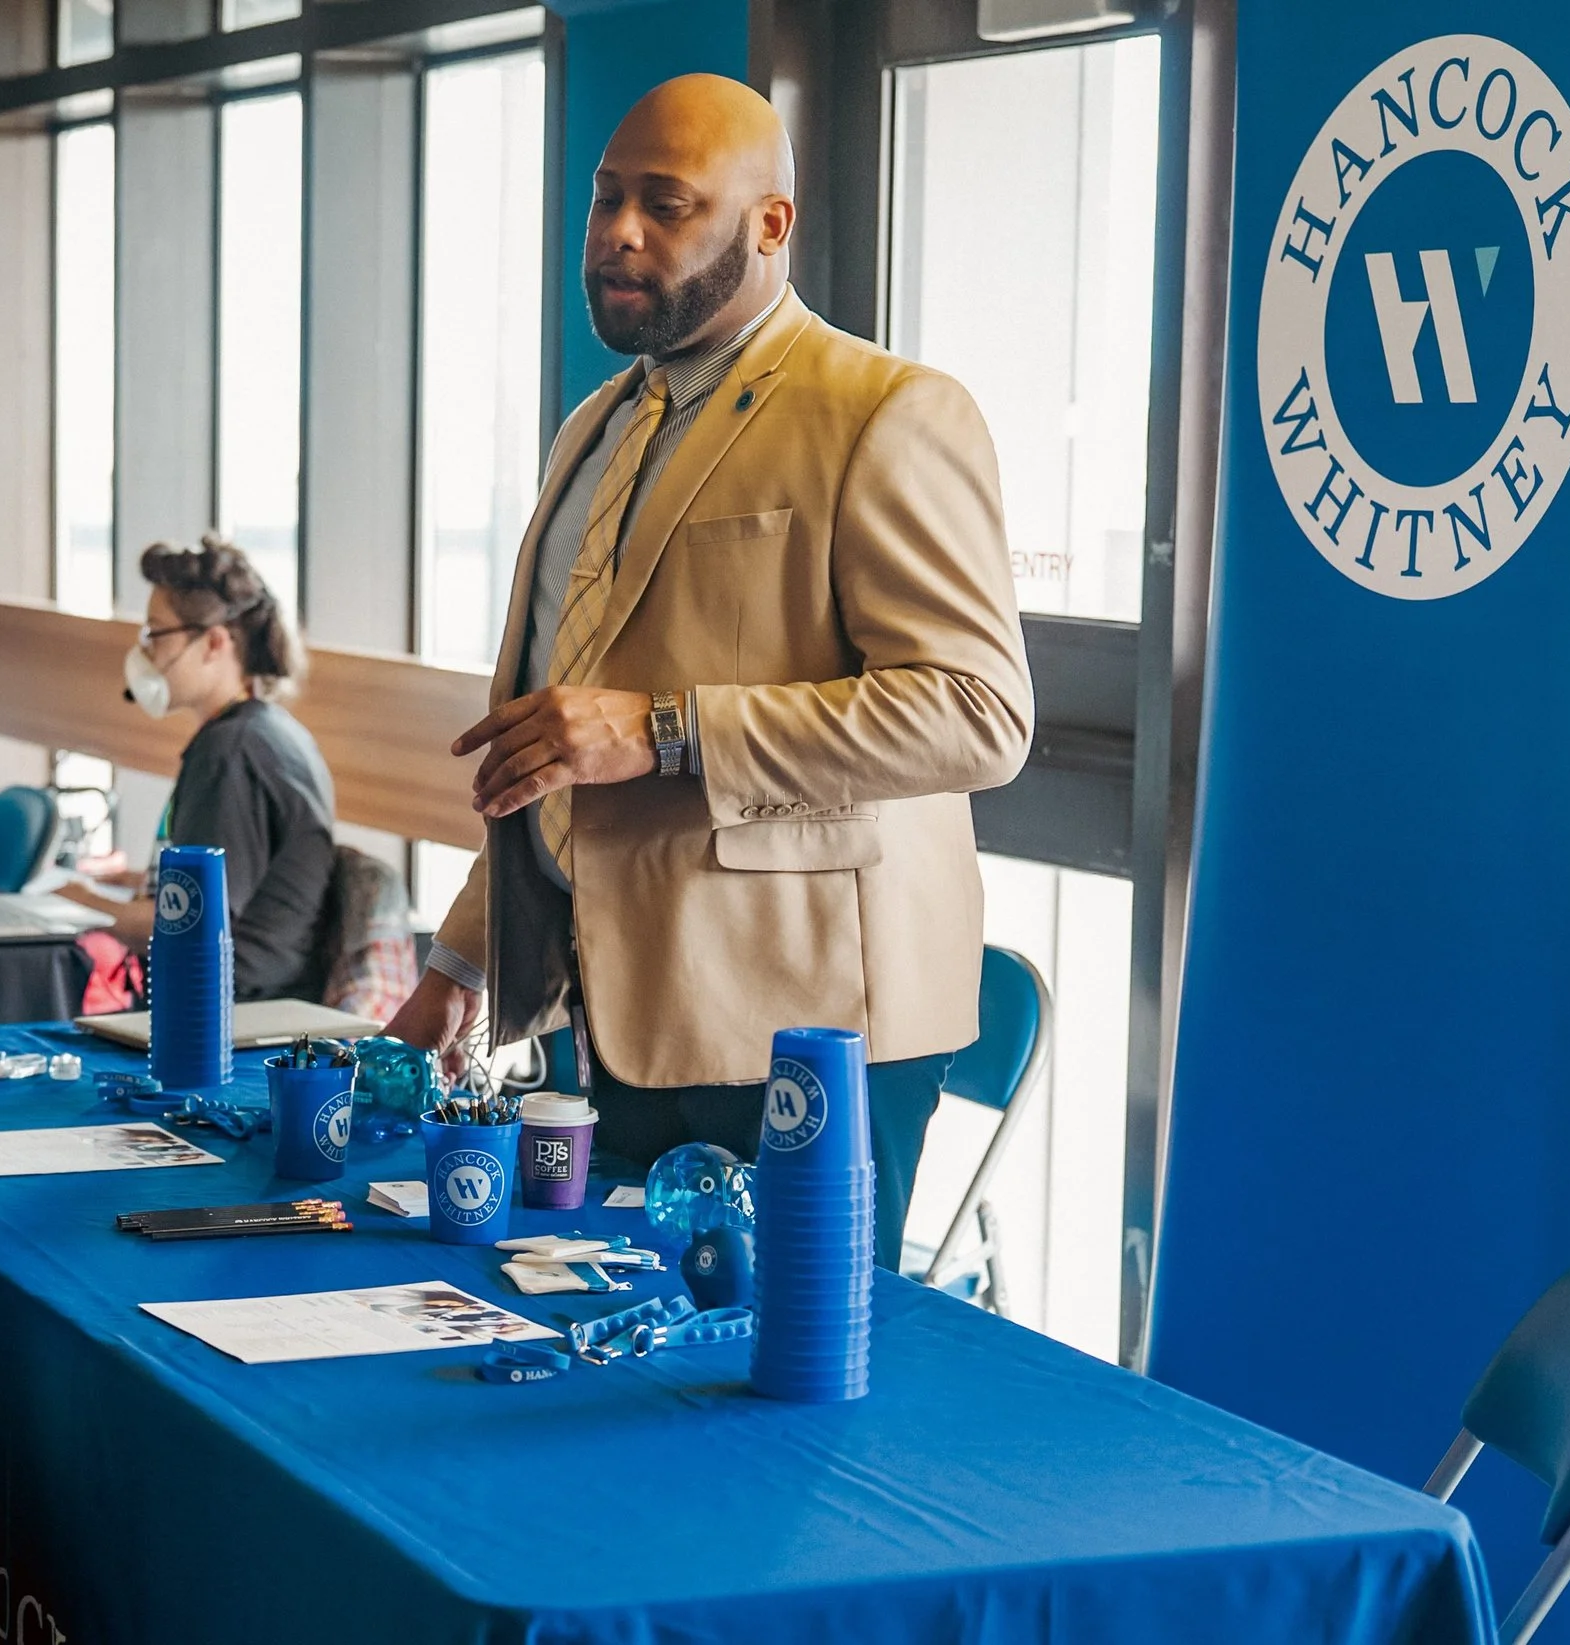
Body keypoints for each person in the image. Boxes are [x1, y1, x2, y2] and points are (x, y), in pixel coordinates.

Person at [382, 75, 1033, 1270]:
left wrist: (671, 729)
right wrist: (464, 958)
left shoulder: (886, 413)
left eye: (666, 205)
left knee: (791, 1404)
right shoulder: (595, 426)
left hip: (807, 1026)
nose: (619, 232)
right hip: (613, 1019)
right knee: (626, 1384)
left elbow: (977, 713)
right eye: (605, 200)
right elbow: (560, 730)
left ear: (769, 224)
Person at [67, 536, 337, 1003]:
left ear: (214, 642)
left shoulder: (230, 752)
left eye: (156, 634)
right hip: (246, 998)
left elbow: (188, 926)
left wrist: (72, 902)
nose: (145, 653)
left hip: (227, 1013)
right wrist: (130, 880)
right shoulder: (266, 731)